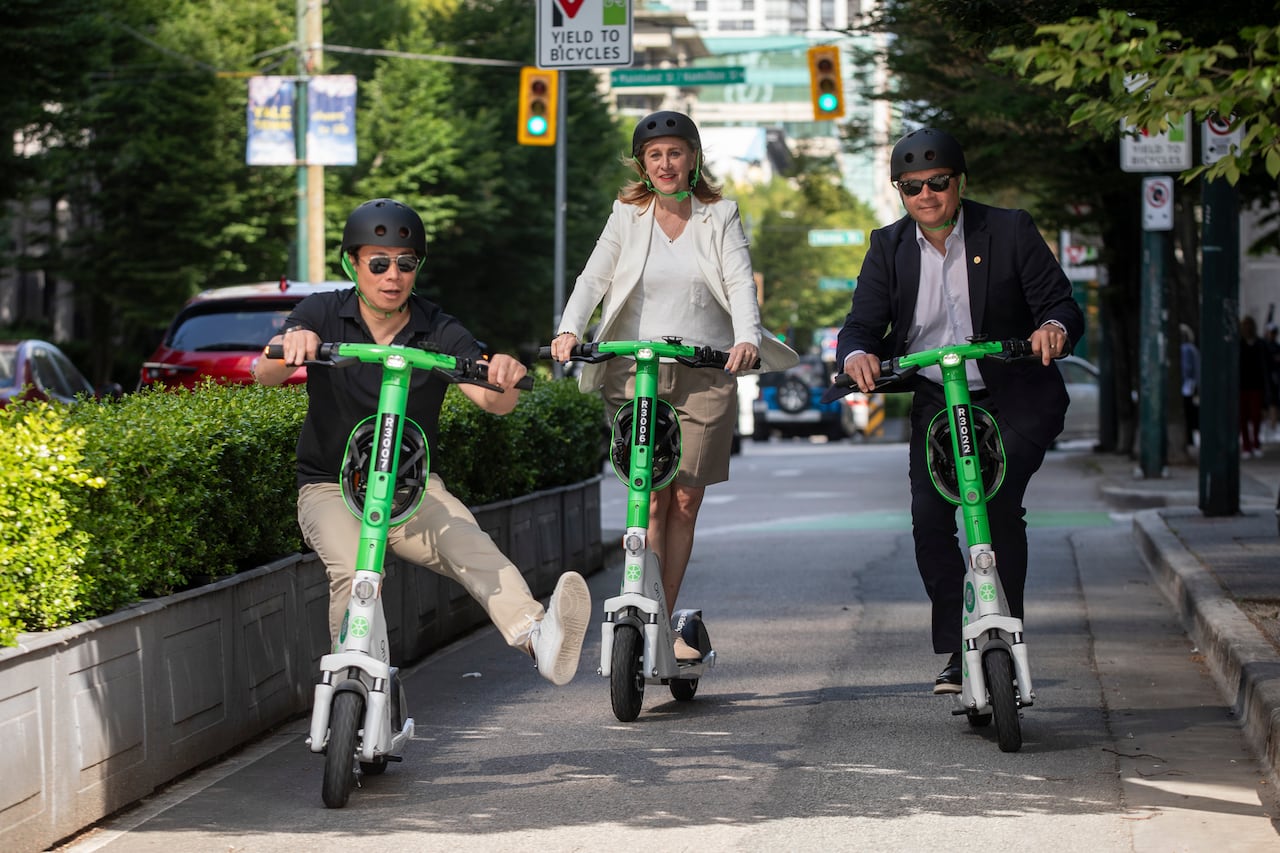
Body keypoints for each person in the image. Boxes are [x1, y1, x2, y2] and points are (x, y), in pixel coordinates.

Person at [255, 198, 590, 686]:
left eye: (405, 263)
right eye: (378, 263)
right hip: (330, 486)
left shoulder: (438, 329)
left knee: (472, 547)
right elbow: (262, 372)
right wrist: (293, 346)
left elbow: (491, 398)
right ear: (352, 263)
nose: (393, 275)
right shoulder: (321, 312)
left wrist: (505, 375)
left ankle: (539, 637)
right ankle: (351, 681)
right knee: (354, 574)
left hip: (411, 490)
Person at [826, 128, 1085, 694]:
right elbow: (861, 325)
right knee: (930, 519)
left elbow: (1061, 304)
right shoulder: (887, 246)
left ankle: (1003, 632)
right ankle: (960, 642)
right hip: (937, 400)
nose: (926, 194)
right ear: (900, 192)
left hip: (1012, 393)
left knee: (993, 506)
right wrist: (858, 354)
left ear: (958, 182)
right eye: (911, 186)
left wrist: (1053, 329)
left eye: (937, 182)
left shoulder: (1010, 230)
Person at [550, 110, 797, 661]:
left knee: (684, 498)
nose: (665, 163)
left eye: (675, 152)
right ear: (643, 164)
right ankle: (638, 605)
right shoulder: (626, 215)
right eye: (654, 155)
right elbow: (594, 276)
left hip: (706, 368)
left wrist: (747, 337)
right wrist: (570, 328)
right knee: (649, 498)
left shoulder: (721, 214)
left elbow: (737, 280)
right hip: (633, 369)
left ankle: (660, 616)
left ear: (694, 158)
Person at [1239, 314, 1269, 458]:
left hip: (1256, 385)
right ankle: (1247, 445)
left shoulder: (1259, 344)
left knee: (1256, 416)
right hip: (1243, 385)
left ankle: (1255, 443)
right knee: (1243, 417)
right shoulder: (1240, 344)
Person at [1179, 323, 1200, 449]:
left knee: (1188, 412)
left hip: (1187, 386)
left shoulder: (1187, 349)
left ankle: (1189, 437)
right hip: (1188, 385)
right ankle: (1189, 437)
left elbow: (1189, 368)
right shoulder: (1191, 349)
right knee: (1189, 413)